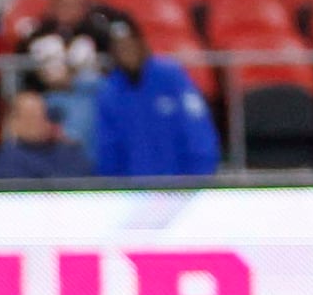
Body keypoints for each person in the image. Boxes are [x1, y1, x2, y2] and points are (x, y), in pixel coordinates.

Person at [88, 17, 221, 176]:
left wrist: (198, 177)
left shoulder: (170, 76)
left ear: (141, 43)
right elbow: (108, 147)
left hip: (182, 188)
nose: (126, 51)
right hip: (133, 193)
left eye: (130, 43)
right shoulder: (110, 92)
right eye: (119, 47)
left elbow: (197, 131)